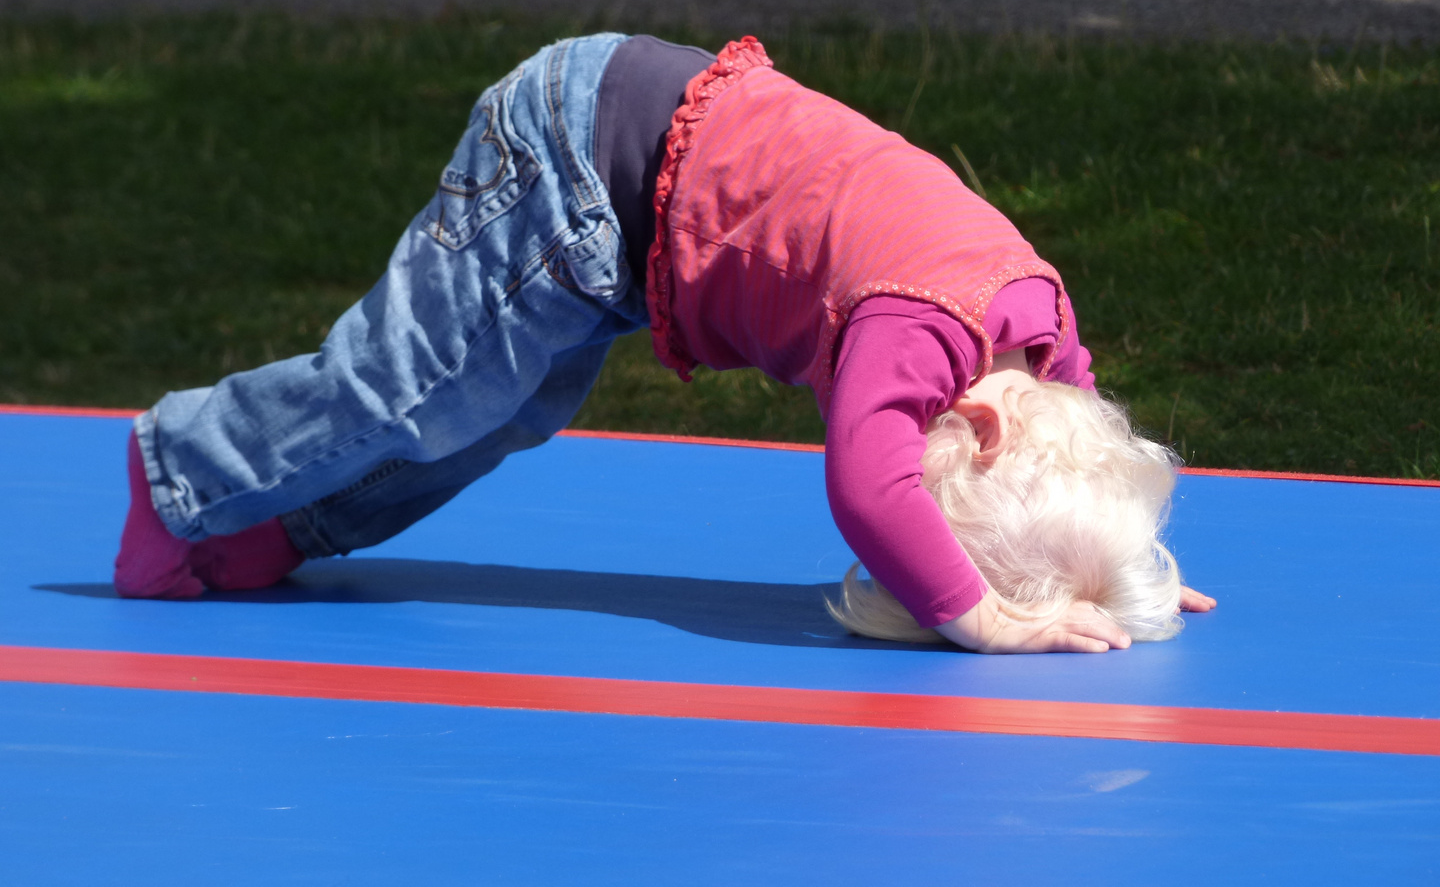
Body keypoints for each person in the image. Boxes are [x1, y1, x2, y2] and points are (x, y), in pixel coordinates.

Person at [114, 33, 1216, 654]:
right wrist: (982, 617)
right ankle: (182, 469)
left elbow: (1082, 429)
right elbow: (872, 493)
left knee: (503, 413)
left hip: (631, 219)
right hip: (577, 160)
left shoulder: (1036, 335)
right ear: (971, 428)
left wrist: (1108, 552)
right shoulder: (916, 328)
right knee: (419, 390)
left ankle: (275, 528)